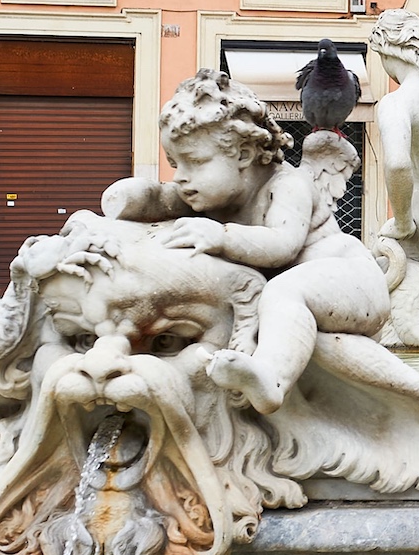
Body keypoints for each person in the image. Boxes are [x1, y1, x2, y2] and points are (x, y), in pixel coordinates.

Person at [100, 70, 391, 414]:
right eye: (175, 163)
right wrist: (131, 198)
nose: (181, 177)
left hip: (351, 281)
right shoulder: (210, 193)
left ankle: (271, 380)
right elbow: (164, 199)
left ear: (242, 155)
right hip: (311, 293)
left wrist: (221, 236)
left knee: (284, 290)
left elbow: (282, 245)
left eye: (195, 162)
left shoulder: (288, 185)